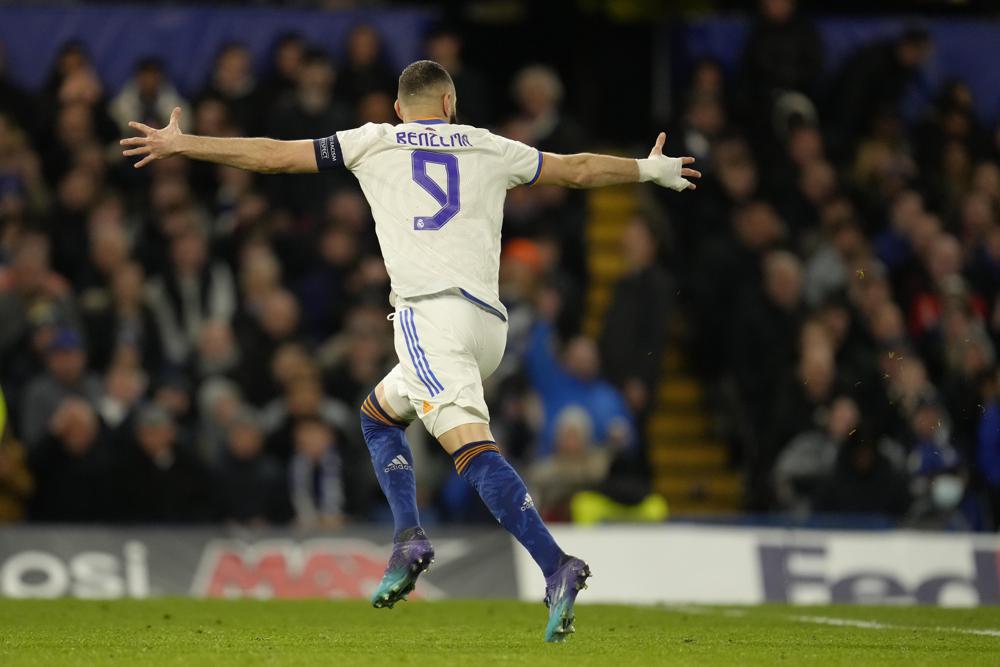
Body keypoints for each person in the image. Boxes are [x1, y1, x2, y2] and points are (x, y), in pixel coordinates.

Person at [120, 59, 700, 642]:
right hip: (487, 327)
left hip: (429, 318)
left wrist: (183, 143)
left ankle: (556, 566)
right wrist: (648, 170)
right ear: (450, 103)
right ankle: (408, 540)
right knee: (377, 416)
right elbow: (576, 170)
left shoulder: (375, 141)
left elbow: (272, 155)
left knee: (470, 447)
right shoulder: (488, 145)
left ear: (399, 109)